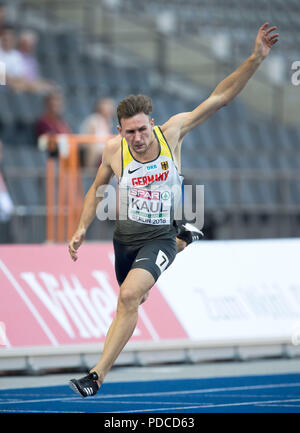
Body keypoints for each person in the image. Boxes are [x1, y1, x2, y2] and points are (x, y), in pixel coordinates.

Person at [68, 23, 278, 397]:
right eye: (130, 132)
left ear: (152, 122)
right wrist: (82, 228)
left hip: (158, 235)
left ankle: (96, 375)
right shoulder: (113, 150)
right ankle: (186, 239)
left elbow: (220, 98)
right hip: (125, 239)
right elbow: (95, 190)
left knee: (130, 297)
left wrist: (255, 59)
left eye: (143, 130)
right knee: (135, 297)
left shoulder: (172, 133)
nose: (139, 138)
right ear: (120, 130)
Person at [79, 97, 115, 168]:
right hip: (90, 148)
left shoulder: (109, 122)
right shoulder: (93, 120)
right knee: (93, 148)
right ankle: (89, 173)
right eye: (107, 105)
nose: (109, 108)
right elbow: (89, 139)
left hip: (103, 148)